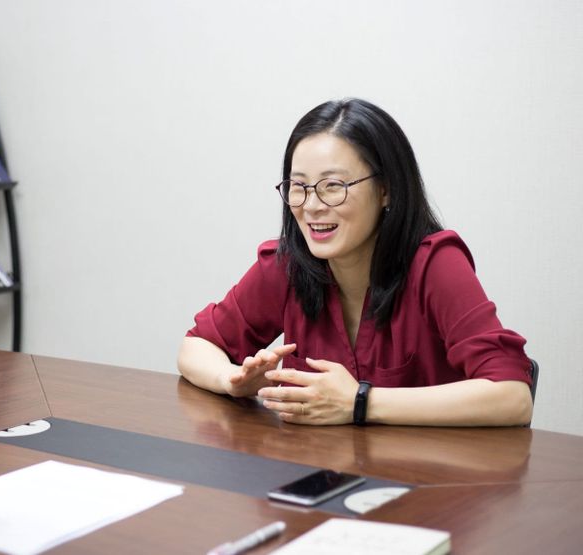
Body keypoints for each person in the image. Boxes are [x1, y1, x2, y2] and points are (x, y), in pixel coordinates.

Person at [178, 98, 533, 427]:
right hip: (321, 476)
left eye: (333, 185)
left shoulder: (435, 265)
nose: (312, 205)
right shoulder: (287, 265)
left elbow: (513, 397)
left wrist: (359, 402)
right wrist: (232, 381)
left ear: (386, 189)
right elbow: (195, 346)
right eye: (299, 186)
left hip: (429, 482)